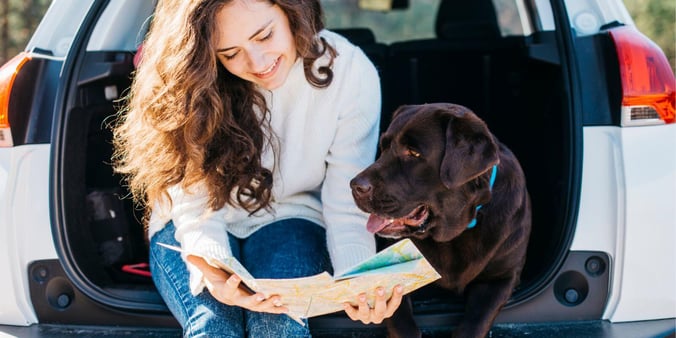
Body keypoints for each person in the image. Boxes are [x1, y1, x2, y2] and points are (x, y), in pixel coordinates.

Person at [112, 0, 404, 336]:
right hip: (190, 221)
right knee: (214, 325)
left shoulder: (350, 72)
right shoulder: (193, 80)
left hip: (291, 215)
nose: (258, 63)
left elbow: (346, 197)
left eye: (264, 36)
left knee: (277, 324)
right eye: (230, 54)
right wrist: (213, 268)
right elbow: (192, 199)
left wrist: (359, 279)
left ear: (292, 10)